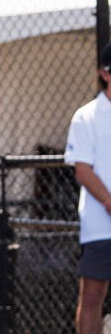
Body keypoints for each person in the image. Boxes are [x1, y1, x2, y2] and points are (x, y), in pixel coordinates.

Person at [67, 43, 111, 334]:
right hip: (99, 227)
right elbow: (82, 169)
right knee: (92, 297)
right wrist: (109, 202)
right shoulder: (86, 116)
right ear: (104, 74)